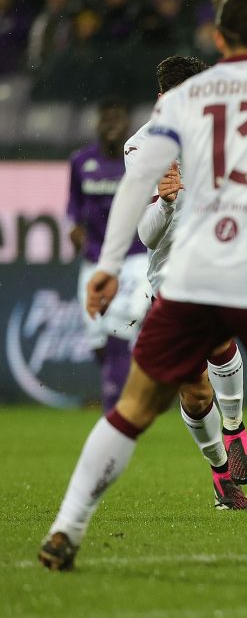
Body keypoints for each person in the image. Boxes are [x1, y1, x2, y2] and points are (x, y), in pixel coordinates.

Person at [39, 0, 247, 577]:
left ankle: (66, 530)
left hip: (193, 276)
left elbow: (131, 190)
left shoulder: (184, 107)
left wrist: (104, 263)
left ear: (218, 42)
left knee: (133, 407)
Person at [124, 54, 247, 511]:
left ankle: (236, 429)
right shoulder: (140, 149)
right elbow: (144, 236)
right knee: (194, 391)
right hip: (168, 277)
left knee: (221, 342)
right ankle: (222, 474)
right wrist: (164, 203)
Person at [68, 96, 151, 413]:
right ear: (98, 124)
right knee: (98, 337)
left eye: (117, 119)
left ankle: (117, 402)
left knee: (121, 319)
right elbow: (73, 209)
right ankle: (120, 380)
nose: (111, 125)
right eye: (106, 119)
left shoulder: (139, 160)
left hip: (134, 256)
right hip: (95, 258)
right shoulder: (81, 161)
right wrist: (74, 230)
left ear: (128, 124)